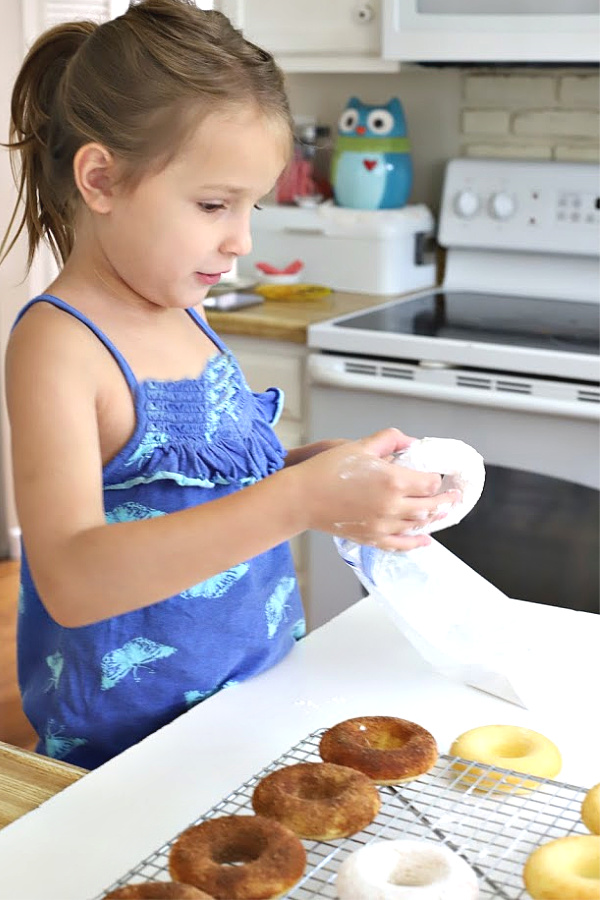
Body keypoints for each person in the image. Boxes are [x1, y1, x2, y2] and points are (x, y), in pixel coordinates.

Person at [1, 0, 459, 770]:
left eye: (251, 206)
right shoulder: (61, 345)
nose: (241, 239)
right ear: (102, 178)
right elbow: (73, 578)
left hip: (259, 696)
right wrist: (299, 502)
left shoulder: (186, 311)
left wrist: (316, 474)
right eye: (215, 205)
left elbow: (200, 490)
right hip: (128, 749)